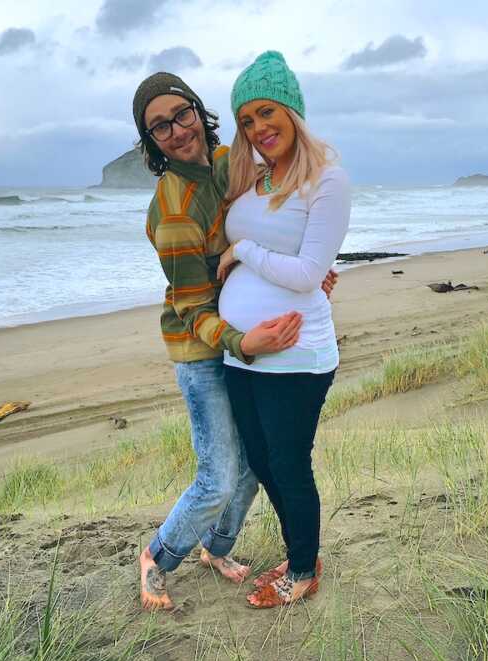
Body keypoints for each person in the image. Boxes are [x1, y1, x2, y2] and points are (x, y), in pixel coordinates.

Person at [131, 73, 337, 610]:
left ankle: (216, 548)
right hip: (205, 350)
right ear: (150, 142)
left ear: (199, 112)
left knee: (251, 465)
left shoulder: (230, 164)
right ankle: (158, 555)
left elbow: (286, 221)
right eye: (159, 127)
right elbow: (191, 306)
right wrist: (243, 341)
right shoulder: (175, 210)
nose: (176, 131)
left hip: (248, 346)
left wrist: (311, 271)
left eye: (182, 114)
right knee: (219, 476)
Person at [216, 51, 351, 608]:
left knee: (289, 462)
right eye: (246, 120)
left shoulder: (327, 180)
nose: (257, 128)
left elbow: (307, 275)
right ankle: (304, 550)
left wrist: (241, 250)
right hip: (242, 352)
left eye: (266, 113)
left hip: (297, 353)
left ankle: (301, 571)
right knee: (263, 458)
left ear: (292, 111)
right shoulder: (255, 178)